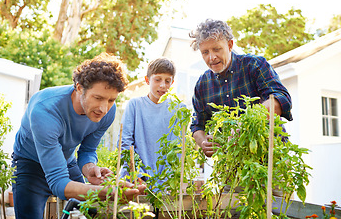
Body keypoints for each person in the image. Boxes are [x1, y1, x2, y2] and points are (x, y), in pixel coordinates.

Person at [11, 52, 146, 219]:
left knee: (86, 213)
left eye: (111, 100)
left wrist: (90, 168)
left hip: (66, 161)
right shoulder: (45, 110)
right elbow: (59, 184)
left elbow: (87, 150)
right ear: (79, 87)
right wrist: (107, 192)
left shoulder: (107, 113)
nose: (103, 108)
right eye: (98, 98)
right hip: (29, 164)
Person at [189, 19, 293, 157]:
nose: (211, 57)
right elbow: (197, 125)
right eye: (205, 52)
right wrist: (203, 143)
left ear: (230, 45)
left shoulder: (254, 65)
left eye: (216, 49)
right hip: (232, 162)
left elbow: (280, 99)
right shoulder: (202, 85)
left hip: (271, 155)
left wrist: (245, 123)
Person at [120, 57, 185, 184]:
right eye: (158, 79)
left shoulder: (178, 109)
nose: (162, 85)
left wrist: (167, 180)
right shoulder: (135, 105)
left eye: (167, 81)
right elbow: (125, 142)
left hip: (165, 183)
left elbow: (177, 149)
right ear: (147, 80)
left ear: (172, 83)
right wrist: (137, 174)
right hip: (135, 180)